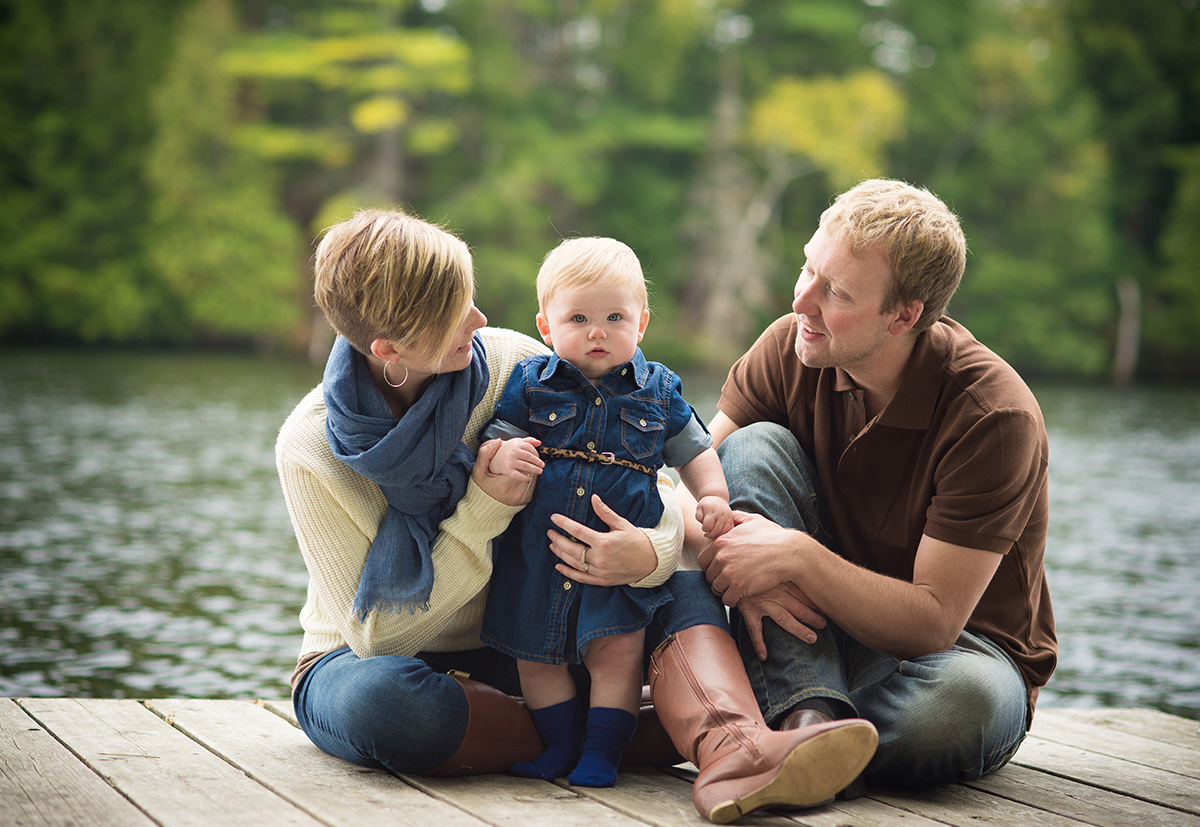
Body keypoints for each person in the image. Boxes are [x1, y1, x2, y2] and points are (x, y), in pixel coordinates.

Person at [275, 208, 878, 824]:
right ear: (389, 349)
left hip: (534, 626)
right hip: (371, 661)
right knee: (389, 708)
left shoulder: (507, 362)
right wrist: (484, 507)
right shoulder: (312, 445)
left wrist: (653, 552)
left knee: (679, 588)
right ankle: (633, 736)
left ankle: (735, 748)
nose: (480, 320)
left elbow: (628, 477)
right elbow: (381, 637)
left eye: (472, 296)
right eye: (455, 311)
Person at [690, 178, 1057, 793]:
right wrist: (735, 563)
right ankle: (811, 718)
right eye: (808, 268)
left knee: (953, 710)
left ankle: (771, 728)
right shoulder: (791, 344)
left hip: (958, 652)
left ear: (904, 316)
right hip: (812, 629)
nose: (803, 301)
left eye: (835, 292)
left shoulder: (994, 417)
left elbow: (933, 621)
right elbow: (699, 488)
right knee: (750, 447)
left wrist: (794, 556)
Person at [478, 237, 734, 788]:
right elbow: (497, 439)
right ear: (546, 327)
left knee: (616, 656)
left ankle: (600, 753)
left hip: (621, 564)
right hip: (538, 558)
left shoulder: (659, 391)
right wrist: (500, 457)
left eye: (615, 316)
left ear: (641, 324)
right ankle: (560, 746)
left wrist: (712, 495)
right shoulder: (529, 383)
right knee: (536, 659)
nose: (598, 331)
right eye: (579, 317)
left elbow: (694, 449)